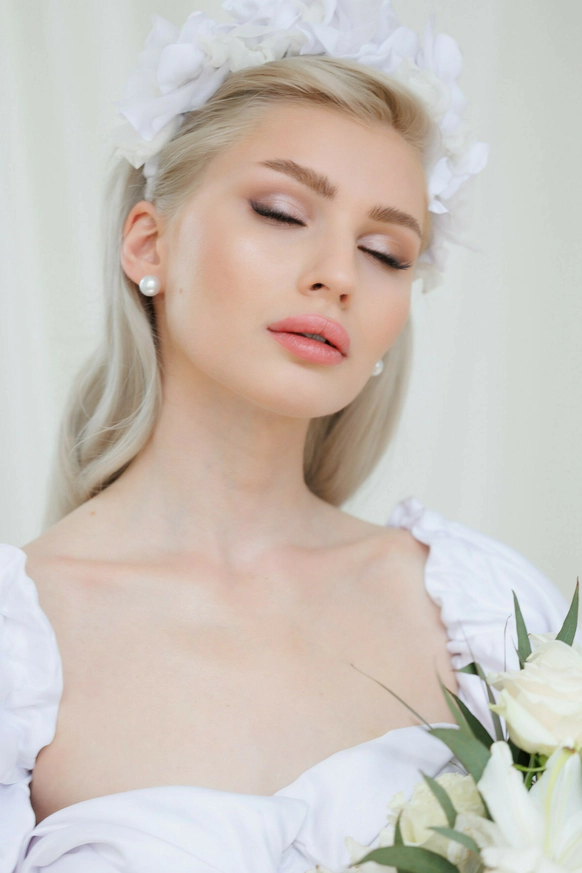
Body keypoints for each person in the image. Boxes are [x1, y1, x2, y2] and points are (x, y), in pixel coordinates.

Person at [0, 3, 569, 871]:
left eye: (385, 252)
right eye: (279, 211)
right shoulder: (20, 650)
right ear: (149, 244)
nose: (338, 274)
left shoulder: (487, 619)